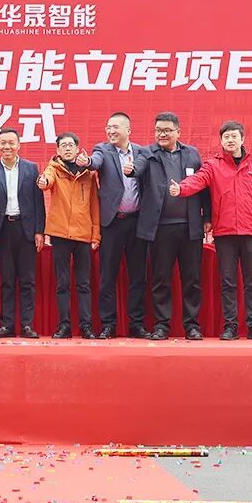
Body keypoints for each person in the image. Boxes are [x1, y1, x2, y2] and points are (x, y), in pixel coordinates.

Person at [170, 120, 252, 341]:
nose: (230, 140)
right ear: (221, 141)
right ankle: (230, 326)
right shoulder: (212, 165)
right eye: (226, 137)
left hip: (251, 232)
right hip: (224, 232)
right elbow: (197, 180)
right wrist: (181, 188)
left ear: (242, 139)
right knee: (228, 282)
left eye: (234, 136)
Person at [125, 112, 210, 340]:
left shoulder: (192, 154)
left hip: (190, 226)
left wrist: (207, 217)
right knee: (161, 279)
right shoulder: (146, 153)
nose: (162, 134)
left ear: (178, 132)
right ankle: (162, 325)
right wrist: (131, 170)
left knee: (192, 279)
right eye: (158, 130)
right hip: (160, 228)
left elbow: (203, 186)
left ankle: (192, 326)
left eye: (166, 130)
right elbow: (138, 167)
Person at [76, 112, 148, 339]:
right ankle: (109, 324)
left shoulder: (141, 152)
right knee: (108, 276)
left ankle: (137, 324)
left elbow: (143, 170)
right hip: (112, 223)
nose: (111, 131)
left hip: (137, 222)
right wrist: (87, 162)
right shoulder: (102, 150)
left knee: (138, 276)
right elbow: (95, 162)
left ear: (128, 130)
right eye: (108, 127)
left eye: (115, 127)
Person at [0, 128, 45, 339]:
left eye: (11, 143)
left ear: (18, 145)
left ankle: (27, 325)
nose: (7, 147)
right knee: (7, 280)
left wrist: (39, 230)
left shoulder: (31, 168)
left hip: (26, 229)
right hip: (3, 230)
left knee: (27, 280)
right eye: (3, 143)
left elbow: (38, 201)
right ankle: (7, 325)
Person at [38, 132, 100, 339]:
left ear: (77, 148)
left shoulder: (89, 173)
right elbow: (46, 179)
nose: (67, 148)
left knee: (84, 284)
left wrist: (96, 235)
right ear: (58, 150)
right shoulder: (54, 168)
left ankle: (86, 326)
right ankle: (64, 326)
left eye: (70, 145)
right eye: (63, 145)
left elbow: (94, 206)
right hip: (60, 234)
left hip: (83, 234)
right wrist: (43, 181)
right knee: (62, 284)